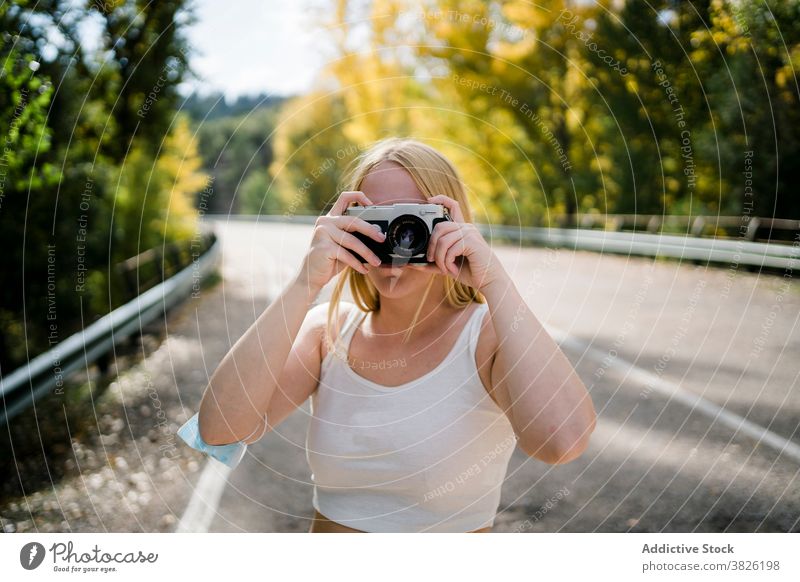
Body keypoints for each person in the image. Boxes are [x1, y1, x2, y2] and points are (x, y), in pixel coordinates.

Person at [179, 137, 596, 533]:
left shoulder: (487, 337)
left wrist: (495, 282)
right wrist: (306, 282)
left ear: (452, 224)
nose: (395, 241)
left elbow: (563, 442)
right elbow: (219, 431)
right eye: (376, 221)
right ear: (349, 223)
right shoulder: (328, 334)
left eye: (412, 221)